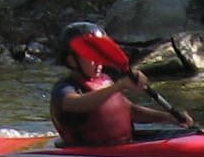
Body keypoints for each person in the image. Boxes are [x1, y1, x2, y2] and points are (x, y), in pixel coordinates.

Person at [49, 20, 195, 147]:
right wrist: (119, 86)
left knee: (191, 134)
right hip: (89, 150)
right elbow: (77, 104)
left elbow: (130, 111)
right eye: (91, 57)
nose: (99, 62)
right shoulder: (65, 88)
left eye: (99, 56)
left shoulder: (105, 81)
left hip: (124, 143)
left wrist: (167, 117)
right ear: (72, 61)